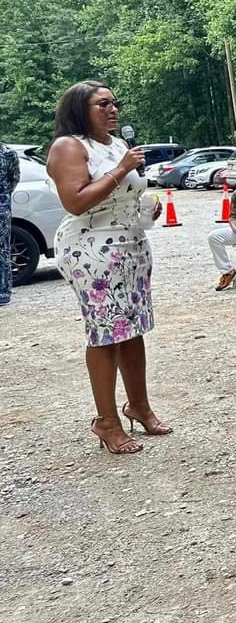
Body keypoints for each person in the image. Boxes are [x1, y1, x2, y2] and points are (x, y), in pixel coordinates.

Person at [47, 81, 167, 454]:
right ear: (79, 109)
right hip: (91, 251)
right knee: (105, 334)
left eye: (115, 103)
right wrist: (120, 169)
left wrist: (145, 207)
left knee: (133, 330)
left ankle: (139, 407)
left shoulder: (117, 145)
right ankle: (107, 420)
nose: (113, 109)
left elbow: (122, 193)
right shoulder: (69, 146)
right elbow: (76, 202)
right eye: (102, 104)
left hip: (130, 247)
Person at [0, 143, 17, 307]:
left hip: (1, 209)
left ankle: (3, 292)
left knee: (2, 252)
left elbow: (14, 179)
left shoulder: (8, 153)